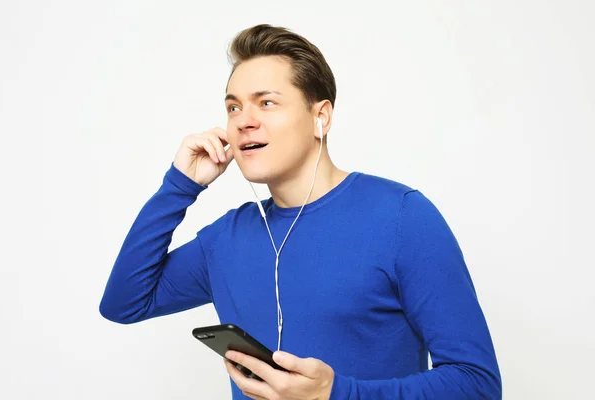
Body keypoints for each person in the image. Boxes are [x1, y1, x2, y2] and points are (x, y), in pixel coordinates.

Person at [99, 24, 502, 400]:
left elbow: (478, 383)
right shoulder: (226, 239)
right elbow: (124, 303)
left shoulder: (402, 218)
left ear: (320, 117)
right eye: (234, 108)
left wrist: (337, 393)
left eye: (267, 103)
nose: (244, 122)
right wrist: (179, 186)